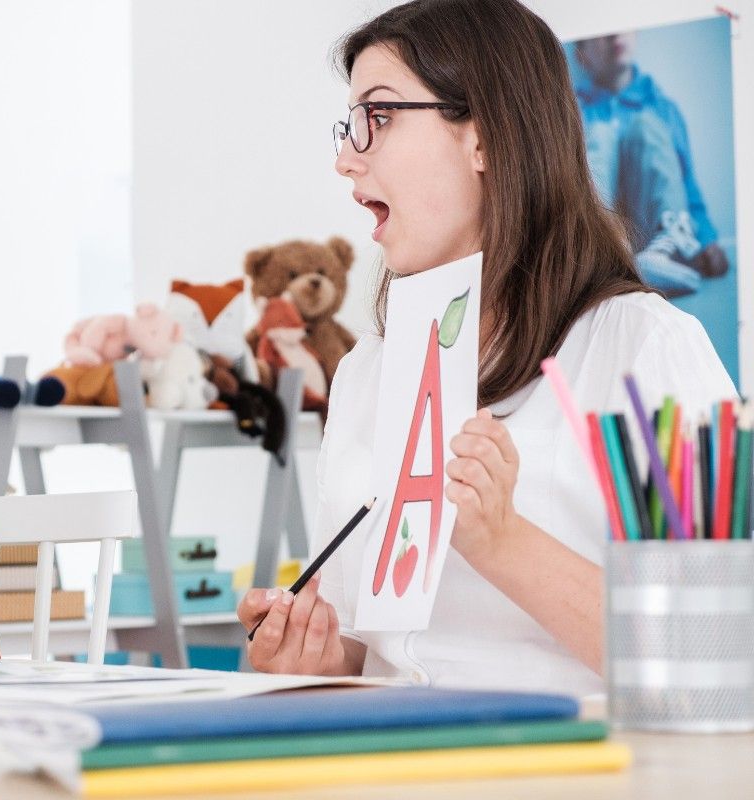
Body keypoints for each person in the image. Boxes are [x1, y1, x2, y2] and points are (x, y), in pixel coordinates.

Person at [236, 0, 734, 695]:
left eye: (376, 118)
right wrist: (323, 656)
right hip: (387, 756)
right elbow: (372, 644)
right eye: (348, 126)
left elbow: (716, 651)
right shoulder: (366, 372)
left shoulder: (645, 349)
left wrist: (503, 543)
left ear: (487, 138)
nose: (346, 159)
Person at [574, 32, 729, 297]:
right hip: (602, 237)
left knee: (646, 127)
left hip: (651, 234)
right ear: (582, 55)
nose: (614, 34)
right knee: (597, 135)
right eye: (601, 31)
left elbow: (685, 181)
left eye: (621, 27)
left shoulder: (662, 107)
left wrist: (707, 238)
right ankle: (601, 258)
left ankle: (667, 247)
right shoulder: (575, 109)